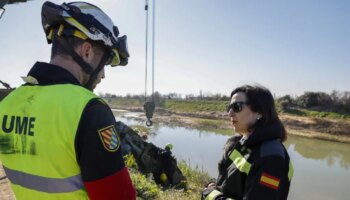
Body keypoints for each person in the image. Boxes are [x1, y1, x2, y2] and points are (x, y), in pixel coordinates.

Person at [0, 1, 136, 199]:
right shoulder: (89, 110)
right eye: (104, 62)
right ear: (87, 51)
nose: (103, 75)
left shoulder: (7, 105)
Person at [201, 85, 293, 200]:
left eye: (236, 107)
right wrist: (215, 185)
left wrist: (212, 196)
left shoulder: (271, 157)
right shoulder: (240, 143)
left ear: (259, 112)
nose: (230, 113)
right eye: (229, 107)